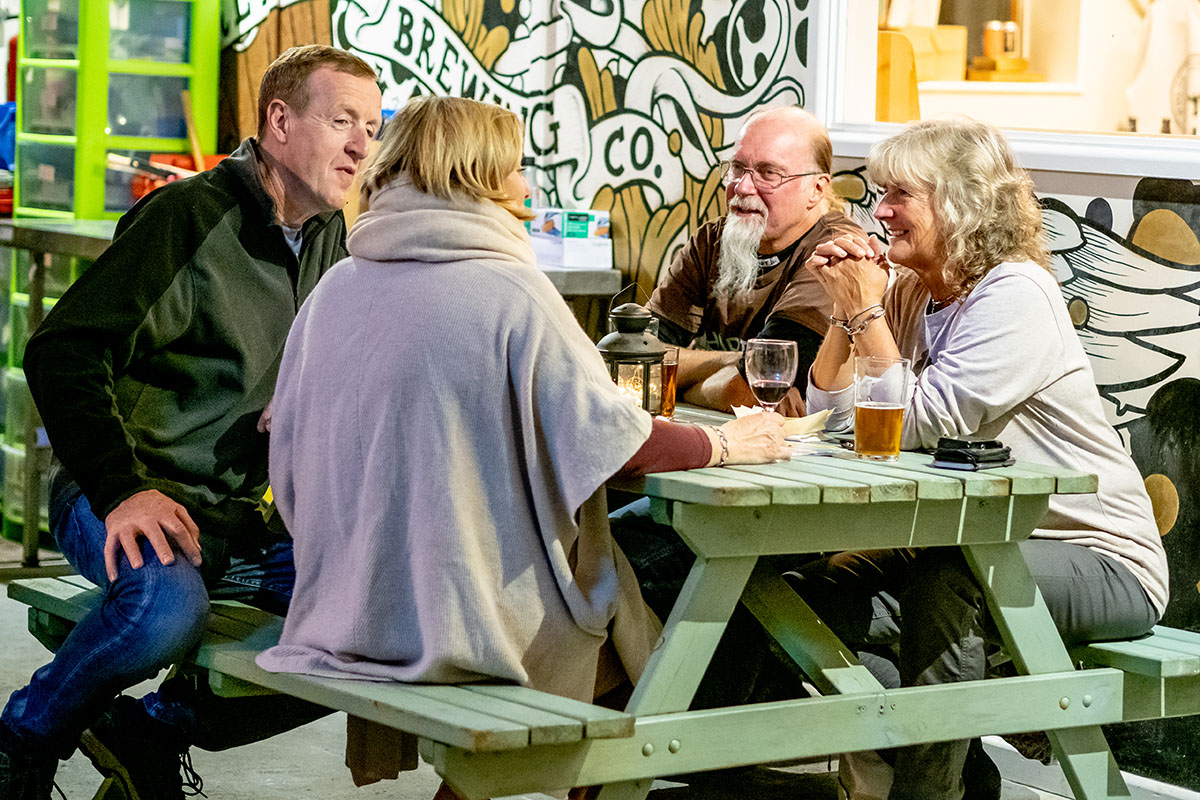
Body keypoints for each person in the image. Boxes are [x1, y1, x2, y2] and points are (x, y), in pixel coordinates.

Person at [254, 95, 788, 799]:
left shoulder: (338, 286)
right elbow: (614, 441)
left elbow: (284, 457)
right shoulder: (509, 288)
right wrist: (725, 446)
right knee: (643, 658)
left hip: (348, 608)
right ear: (476, 175)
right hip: (465, 620)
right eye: (517, 168)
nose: (529, 188)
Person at [0, 45, 383, 800]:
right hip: (121, 496)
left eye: (371, 126)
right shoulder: (187, 219)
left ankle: (153, 729)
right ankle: (23, 736)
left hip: (236, 520)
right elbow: (63, 351)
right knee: (166, 608)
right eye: (343, 121)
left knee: (378, 623)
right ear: (279, 121)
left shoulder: (329, 241)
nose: (362, 146)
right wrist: (122, 491)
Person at [791, 117, 1169, 800]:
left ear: (963, 201)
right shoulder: (909, 293)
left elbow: (928, 421)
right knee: (810, 596)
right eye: (878, 193)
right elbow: (838, 422)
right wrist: (844, 312)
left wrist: (867, 319)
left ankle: (932, 791)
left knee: (948, 583)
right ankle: (960, 776)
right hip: (973, 540)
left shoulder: (1016, 293)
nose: (880, 211)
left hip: (1097, 557)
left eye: (900, 193)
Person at [646, 105, 861, 415]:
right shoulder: (711, 241)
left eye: (768, 173)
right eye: (737, 168)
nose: (743, 187)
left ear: (816, 189)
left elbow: (768, 381)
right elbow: (636, 358)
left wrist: (682, 381)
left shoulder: (835, 250)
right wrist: (733, 362)